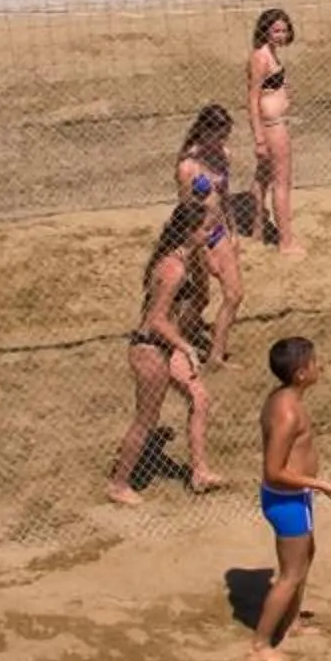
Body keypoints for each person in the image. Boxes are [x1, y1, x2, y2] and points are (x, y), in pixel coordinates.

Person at [107, 196, 225, 502]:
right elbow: (157, 320)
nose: (211, 234)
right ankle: (119, 485)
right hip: (150, 349)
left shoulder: (186, 259)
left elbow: (202, 296)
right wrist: (185, 346)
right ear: (189, 230)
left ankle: (200, 472)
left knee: (199, 397)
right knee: (146, 420)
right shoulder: (172, 269)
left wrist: (202, 258)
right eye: (206, 229)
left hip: (164, 348)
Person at [249, 336, 331, 661]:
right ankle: (261, 645)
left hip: (294, 498)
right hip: (287, 501)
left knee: (305, 557)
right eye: (315, 362)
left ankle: (291, 624)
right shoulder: (288, 413)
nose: (321, 366)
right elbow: (273, 471)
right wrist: (318, 483)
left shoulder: (284, 397)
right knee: (290, 574)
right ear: (301, 373)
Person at [174, 106, 246, 368]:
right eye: (219, 136)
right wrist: (200, 250)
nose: (222, 143)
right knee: (201, 298)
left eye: (225, 137)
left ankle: (215, 355)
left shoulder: (223, 156)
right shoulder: (188, 168)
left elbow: (225, 198)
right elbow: (186, 212)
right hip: (197, 238)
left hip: (219, 232)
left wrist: (234, 232)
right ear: (204, 132)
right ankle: (175, 339)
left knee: (234, 294)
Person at [246, 9, 298, 252]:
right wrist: (258, 138)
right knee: (282, 182)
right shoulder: (260, 57)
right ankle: (286, 242)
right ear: (265, 30)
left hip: (274, 122)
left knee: (263, 177)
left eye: (284, 30)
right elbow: (252, 97)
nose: (280, 35)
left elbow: (271, 85)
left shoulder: (270, 54)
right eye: (276, 30)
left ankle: (256, 227)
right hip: (272, 126)